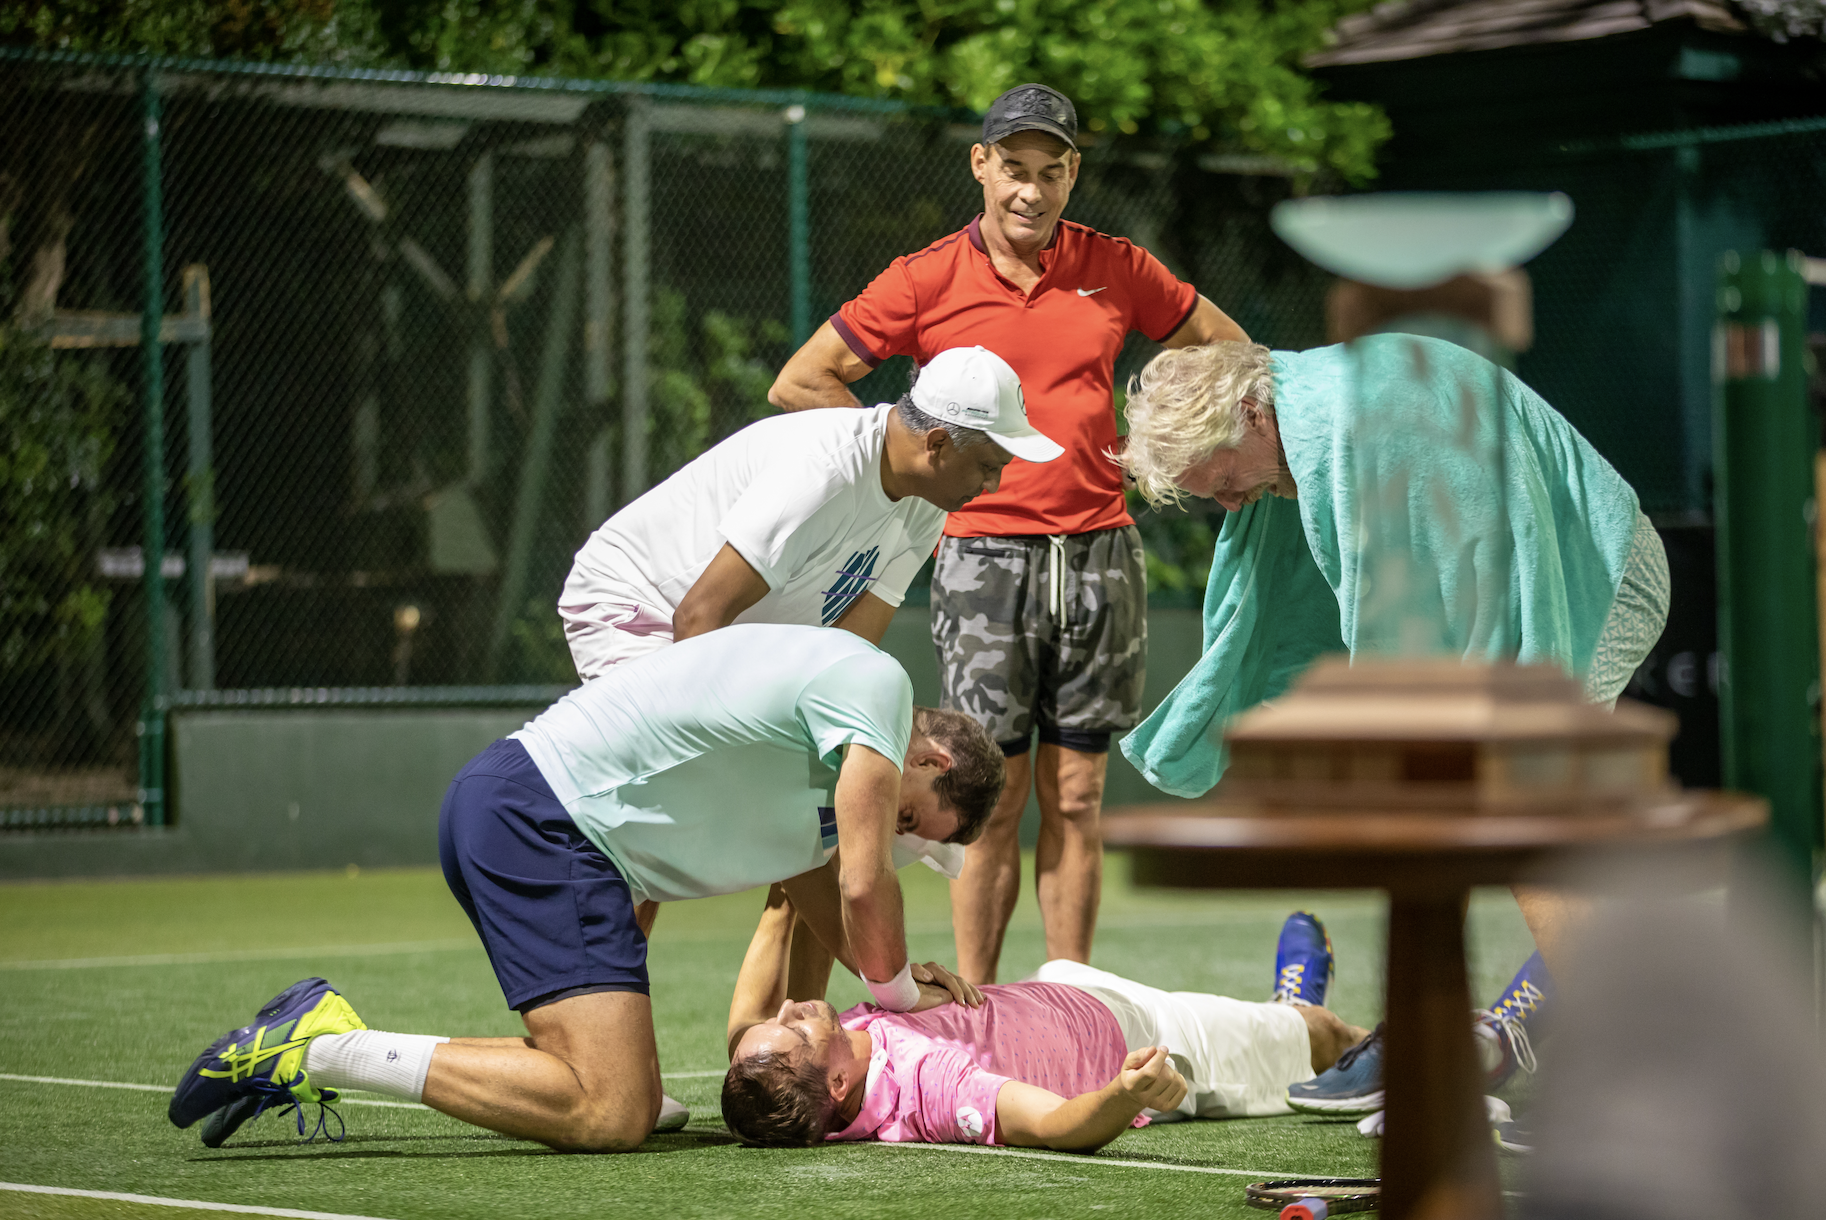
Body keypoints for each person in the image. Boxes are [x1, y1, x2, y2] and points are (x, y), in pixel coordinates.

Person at [167, 623, 1002, 1153]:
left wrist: (881, 977)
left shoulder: (821, 770)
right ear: (929, 763)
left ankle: (317, 1039)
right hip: (547, 821)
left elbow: (825, 892)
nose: (896, 838)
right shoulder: (877, 696)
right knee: (610, 1111)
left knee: (627, 1094)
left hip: (546, 826)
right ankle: (319, 1044)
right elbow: (862, 884)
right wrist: (897, 996)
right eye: (913, 825)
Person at [768, 82, 1249, 986]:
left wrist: (1168, 444)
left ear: (1074, 176)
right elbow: (803, 382)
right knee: (991, 796)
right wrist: (909, 474)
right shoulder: (922, 278)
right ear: (981, 166)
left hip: (1104, 555)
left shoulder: (1118, 266)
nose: (1031, 191)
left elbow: (1229, 349)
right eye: (1015, 170)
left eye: (1052, 172)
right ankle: (981, 1013)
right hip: (982, 562)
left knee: (1079, 795)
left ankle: (1068, 999)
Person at [1118, 335, 1670, 972]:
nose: (1232, 504)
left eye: (1223, 481)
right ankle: (1420, 1030)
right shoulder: (1306, 414)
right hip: (1544, 575)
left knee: (1512, 796)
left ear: (1248, 413)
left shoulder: (1371, 418)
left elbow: (1493, 572)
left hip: (1599, 576)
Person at [562, 345, 1057, 678]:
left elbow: (849, 653)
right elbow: (697, 618)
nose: (993, 485)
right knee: (687, 777)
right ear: (937, 443)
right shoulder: (825, 470)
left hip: (723, 632)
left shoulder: (928, 501)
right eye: (988, 466)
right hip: (635, 605)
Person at [721, 901, 1367, 1150]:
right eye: (796, 1030)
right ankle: (1307, 1018)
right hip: (1149, 1037)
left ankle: (1286, 1012)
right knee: (1323, 1037)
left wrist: (788, 891)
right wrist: (1127, 1092)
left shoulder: (814, 1065)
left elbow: (746, 1035)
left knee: (1285, 1029)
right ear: (837, 1084)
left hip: (1068, 986)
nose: (790, 1010)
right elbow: (1053, 1125)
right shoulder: (927, 1085)